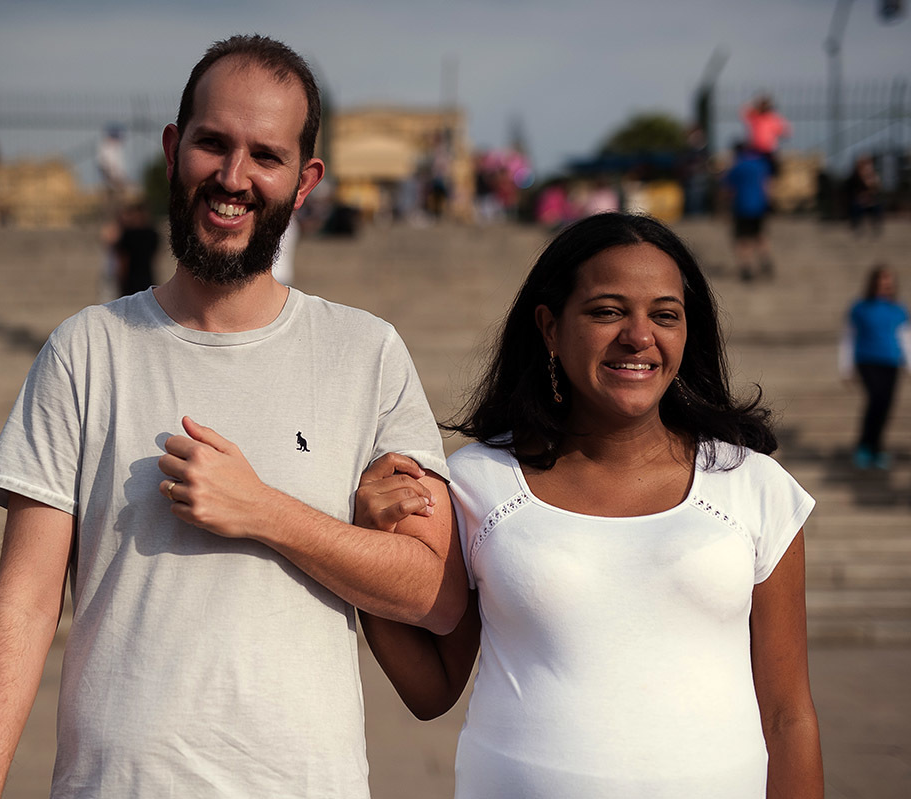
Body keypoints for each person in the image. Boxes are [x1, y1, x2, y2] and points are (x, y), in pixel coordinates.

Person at [0, 35, 465, 799]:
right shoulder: (86, 351)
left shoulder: (366, 353)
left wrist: (265, 509)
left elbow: (437, 595)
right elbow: (23, 606)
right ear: (172, 148)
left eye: (267, 155)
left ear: (305, 181)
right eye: (212, 144)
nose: (233, 177)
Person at [356, 213, 823, 797]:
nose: (638, 336)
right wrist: (366, 544)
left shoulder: (755, 487)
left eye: (665, 315)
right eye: (607, 311)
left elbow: (788, 716)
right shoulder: (479, 483)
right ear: (550, 328)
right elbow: (431, 691)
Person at [840, 265, 910, 470]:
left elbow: (905, 338)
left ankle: (876, 446)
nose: (885, 285)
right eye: (881, 280)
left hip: (891, 361)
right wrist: (845, 367)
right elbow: (848, 337)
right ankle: (864, 445)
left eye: (888, 281)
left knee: (886, 404)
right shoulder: (860, 308)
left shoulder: (898, 309)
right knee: (876, 398)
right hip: (867, 360)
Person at [724, 141, 774, 281]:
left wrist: (724, 209)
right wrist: (769, 203)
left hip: (741, 207)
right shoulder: (761, 164)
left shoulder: (736, 167)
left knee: (742, 239)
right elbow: (767, 185)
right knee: (759, 235)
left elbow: (729, 190)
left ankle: (746, 269)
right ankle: (766, 262)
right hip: (759, 206)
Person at [741, 94, 789, 176]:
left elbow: (785, 131)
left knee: (770, 172)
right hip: (755, 149)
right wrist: (755, 103)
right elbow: (743, 111)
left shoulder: (772, 118)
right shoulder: (755, 116)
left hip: (768, 150)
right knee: (755, 170)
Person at [843, 155, 883, 237]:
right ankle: (856, 225)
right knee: (855, 207)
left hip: (870, 201)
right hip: (858, 201)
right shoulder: (855, 177)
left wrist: (870, 193)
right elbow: (851, 191)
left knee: (877, 207)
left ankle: (875, 225)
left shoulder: (873, 176)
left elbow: (876, 189)